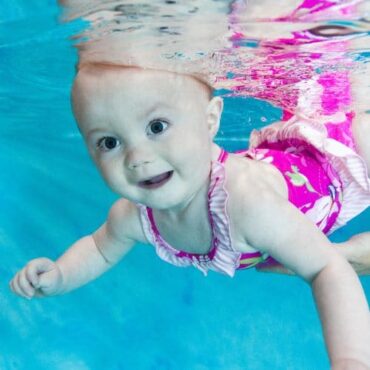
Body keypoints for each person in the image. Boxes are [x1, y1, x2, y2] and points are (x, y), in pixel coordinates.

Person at [9, 61, 370, 367]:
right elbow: (100, 248)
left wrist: (352, 361)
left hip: (338, 162)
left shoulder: (245, 202)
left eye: (157, 127)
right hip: (289, 162)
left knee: (359, 121)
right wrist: (58, 276)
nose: (136, 157)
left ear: (210, 120)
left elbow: (327, 268)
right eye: (109, 142)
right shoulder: (136, 216)